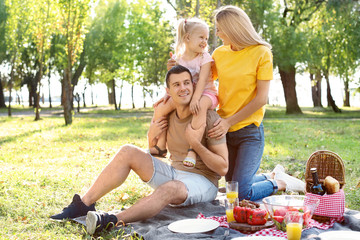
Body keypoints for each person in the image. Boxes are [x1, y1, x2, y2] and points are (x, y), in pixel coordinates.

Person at [50, 65, 229, 235]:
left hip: (204, 182)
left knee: (170, 188)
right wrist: (151, 135)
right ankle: (84, 204)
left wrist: (196, 144)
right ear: (168, 91)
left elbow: (222, 168)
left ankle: (110, 220)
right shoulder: (169, 115)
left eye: (186, 83)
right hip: (175, 173)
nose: (183, 88)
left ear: (193, 85)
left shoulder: (208, 117)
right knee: (128, 150)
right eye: (177, 84)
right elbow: (158, 154)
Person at [207, 5, 305, 200]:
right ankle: (271, 175)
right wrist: (178, 64)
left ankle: (280, 183)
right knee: (232, 189)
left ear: (233, 28)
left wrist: (227, 122)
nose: (217, 33)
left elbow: (261, 99)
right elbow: (201, 78)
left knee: (241, 194)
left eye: (219, 28)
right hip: (225, 133)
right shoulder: (219, 54)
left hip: (249, 133)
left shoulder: (261, 53)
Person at [151, 18, 218, 169]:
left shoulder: (205, 57)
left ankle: (192, 149)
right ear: (187, 37)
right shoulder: (177, 58)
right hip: (188, 94)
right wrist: (166, 96)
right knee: (160, 108)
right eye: (201, 37)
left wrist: (195, 99)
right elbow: (173, 81)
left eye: (206, 38)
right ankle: (161, 144)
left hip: (206, 93)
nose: (205, 42)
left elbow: (201, 82)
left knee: (199, 107)